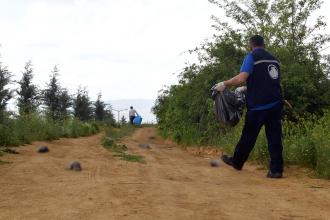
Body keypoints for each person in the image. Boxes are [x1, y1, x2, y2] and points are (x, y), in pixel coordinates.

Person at [214, 35, 284, 178]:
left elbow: (241, 77)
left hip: (258, 106)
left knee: (248, 137)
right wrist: (247, 89)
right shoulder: (274, 59)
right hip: (276, 104)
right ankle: (276, 170)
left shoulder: (251, 57)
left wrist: (224, 84)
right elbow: (269, 81)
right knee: (275, 138)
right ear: (264, 44)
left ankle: (237, 162)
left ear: (250, 44)